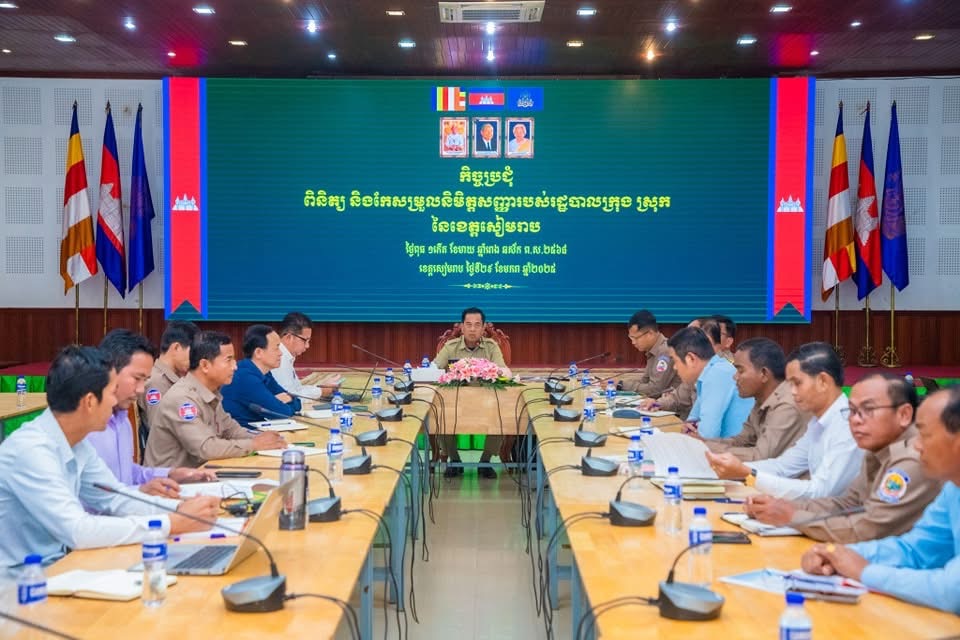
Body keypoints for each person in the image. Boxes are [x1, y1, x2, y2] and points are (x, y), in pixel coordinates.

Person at [0, 345, 219, 568]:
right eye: (112, 393)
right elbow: (77, 530)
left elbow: (115, 497)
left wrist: (181, 509)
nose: (115, 402)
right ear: (89, 402)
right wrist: (172, 523)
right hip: (21, 578)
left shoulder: (77, 443)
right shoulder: (32, 451)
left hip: (60, 566)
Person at [800, 386, 960, 615]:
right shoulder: (953, 486)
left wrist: (864, 572)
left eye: (924, 435)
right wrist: (835, 554)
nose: (917, 445)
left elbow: (951, 592)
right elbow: (914, 549)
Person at [747, 373, 941, 542]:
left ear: (904, 414)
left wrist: (792, 517)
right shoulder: (876, 448)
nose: (855, 420)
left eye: (868, 410)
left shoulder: (912, 459)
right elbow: (847, 504)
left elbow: (870, 528)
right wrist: (782, 507)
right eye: (852, 411)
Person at [707, 342, 863, 499]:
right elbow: (783, 467)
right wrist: (738, 469)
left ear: (823, 381)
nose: (792, 392)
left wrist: (746, 473)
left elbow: (820, 491)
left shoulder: (847, 425)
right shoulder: (818, 423)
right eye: (790, 384)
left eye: (797, 383)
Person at [86, 329, 216, 498]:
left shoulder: (122, 421)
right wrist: (140, 492)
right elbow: (96, 495)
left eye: (145, 380)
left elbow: (126, 473)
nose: (141, 389)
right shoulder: (88, 427)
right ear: (109, 372)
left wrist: (170, 474)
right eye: (136, 378)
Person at [145, 331, 287, 469]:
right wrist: (254, 444)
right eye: (228, 360)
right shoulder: (182, 399)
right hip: (171, 481)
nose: (235, 366)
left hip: (201, 473)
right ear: (205, 365)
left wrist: (263, 438)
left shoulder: (210, 393)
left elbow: (231, 431)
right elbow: (206, 448)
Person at [692, 337, 808, 461]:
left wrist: (707, 447)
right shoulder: (762, 399)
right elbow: (742, 441)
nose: (735, 377)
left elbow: (760, 456)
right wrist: (702, 443)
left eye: (740, 371)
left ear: (764, 374)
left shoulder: (787, 405)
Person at [434, 307, 510, 479]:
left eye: (477, 325)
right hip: (455, 404)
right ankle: (454, 460)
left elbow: (504, 371)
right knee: (439, 417)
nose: (472, 329)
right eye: (468, 324)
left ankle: (485, 461)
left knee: (501, 417)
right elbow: (433, 370)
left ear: (483, 328)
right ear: (462, 327)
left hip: (486, 403)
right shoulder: (450, 347)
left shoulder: (491, 346)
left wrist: (493, 371)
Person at [668, 326, 753, 439]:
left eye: (675, 361)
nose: (674, 367)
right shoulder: (709, 372)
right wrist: (688, 427)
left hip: (738, 448)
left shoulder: (718, 373)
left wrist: (694, 431)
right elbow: (692, 421)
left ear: (691, 359)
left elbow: (707, 434)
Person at [222, 324, 302, 428]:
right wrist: (284, 401)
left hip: (260, 430)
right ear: (258, 352)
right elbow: (281, 413)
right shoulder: (245, 377)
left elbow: (297, 402)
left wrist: (289, 399)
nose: (281, 353)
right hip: (242, 434)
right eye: (276, 348)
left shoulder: (265, 373)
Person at [138, 320, 199, 430]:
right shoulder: (156, 383)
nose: (195, 359)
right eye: (193, 353)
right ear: (176, 348)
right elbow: (159, 429)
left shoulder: (179, 379)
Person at [271, 312, 340, 401]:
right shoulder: (278, 358)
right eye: (305, 340)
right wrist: (321, 391)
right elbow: (288, 397)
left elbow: (297, 389)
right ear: (289, 337)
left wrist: (321, 388)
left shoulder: (287, 357)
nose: (307, 346)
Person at [620, 310, 681, 397]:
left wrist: (622, 385)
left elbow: (655, 390)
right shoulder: (653, 350)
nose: (633, 342)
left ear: (650, 333)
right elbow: (645, 381)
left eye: (636, 338)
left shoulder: (664, 351)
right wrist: (620, 383)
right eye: (631, 338)